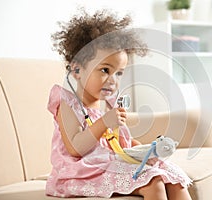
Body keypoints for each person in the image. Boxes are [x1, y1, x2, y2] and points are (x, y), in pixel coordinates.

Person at [46, 9, 192, 200]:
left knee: (172, 178)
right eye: (105, 70)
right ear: (76, 69)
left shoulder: (109, 104)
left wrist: (139, 149)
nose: (113, 80)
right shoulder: (67, 104)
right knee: (152, 181)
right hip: (80, 172)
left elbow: (117, 141)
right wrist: (105, 122)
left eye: (119, 73)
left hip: (110, 163)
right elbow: (75, 148)